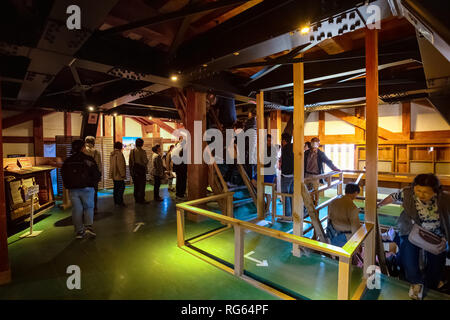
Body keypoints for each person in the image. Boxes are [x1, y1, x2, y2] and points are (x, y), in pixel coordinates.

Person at [377, 173, 450, 300]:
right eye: (418, 190)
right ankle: (416, 285)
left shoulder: (445, 199)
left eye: (426, 192)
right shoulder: (408, 193)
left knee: (436, 265)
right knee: (409, 261)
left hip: (437, 236)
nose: (421, 194)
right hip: (411, 232)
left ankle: (430, 287)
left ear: (435, 191)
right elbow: (393, 197)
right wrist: (379, 205)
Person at [61, 139, 101, 239]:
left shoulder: (68, 161)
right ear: (83, 148)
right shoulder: (88, 159)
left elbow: (63, 174)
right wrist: (93, 182)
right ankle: (88, 227)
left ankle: (79, 232)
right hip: (87, 188)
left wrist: (68, 185)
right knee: (88, 207)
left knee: (76, 209)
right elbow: (96, 173)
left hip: (73, 190)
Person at [304, 137, 340, 202]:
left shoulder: (320, 154)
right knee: (308, 191)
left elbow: (328, 161)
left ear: (318, 144)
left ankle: (316, 204)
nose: (314, 145)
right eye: (313, 143)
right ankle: (311, 204)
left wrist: (334, 168)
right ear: (311, 144)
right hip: (307, 174)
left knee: (316, 191)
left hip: (316, 175)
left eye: (316, 143)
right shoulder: (306, 153)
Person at [83, 136, 102, 213]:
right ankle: (94, 208)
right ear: (93, 142)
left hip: (84, 176)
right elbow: (98, 165)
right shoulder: (96, 152)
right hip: (93, 176)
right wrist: (99, 175)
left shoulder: (82, 151)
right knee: (94, 193)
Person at [129, 138, 149, 204]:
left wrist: (131, 171)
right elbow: (145, 161)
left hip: (135, 171)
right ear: (142, 144)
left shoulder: (132, 151)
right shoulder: (143, 151)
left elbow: (130, 162)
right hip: (141, 171)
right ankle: (141, 199)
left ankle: (136, 199)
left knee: (136, 186)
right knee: (142, 186)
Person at [279, 132, 294, 221]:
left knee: (285, 195)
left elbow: (285, 163)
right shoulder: (293, 147)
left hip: (286, 175)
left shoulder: (285, 149)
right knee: (291, 195)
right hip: (293, 175)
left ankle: (287, 216)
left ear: (284, 140)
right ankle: (292, 215)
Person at [110, 141, 126, 207]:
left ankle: (116, 202)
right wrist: (123, 174)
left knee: (116, 188)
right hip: (119, 175)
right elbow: (120, 165)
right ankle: (120, 202)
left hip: (114, 174)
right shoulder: (119, 154)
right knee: (121, 188)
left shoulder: (112, 154)